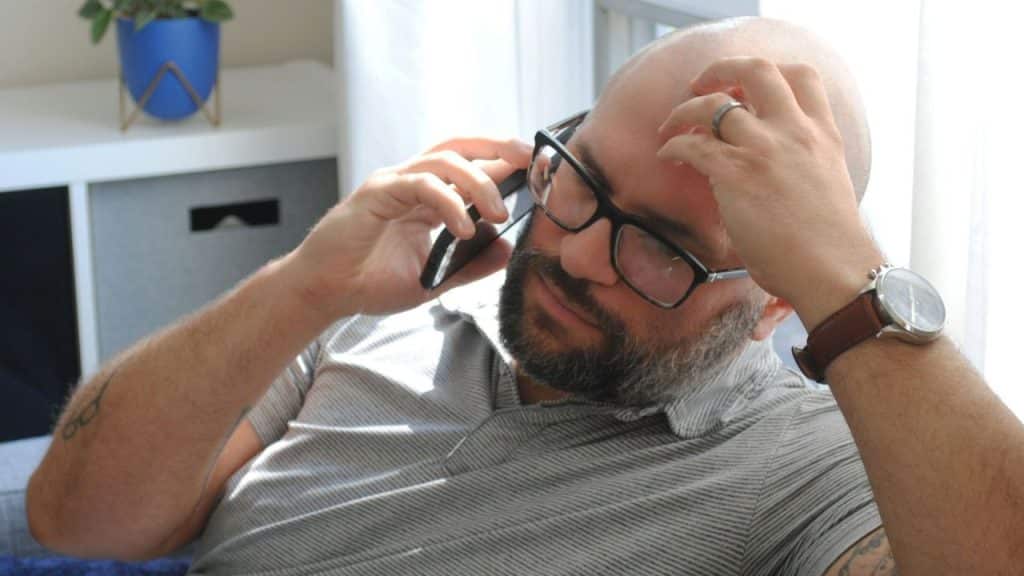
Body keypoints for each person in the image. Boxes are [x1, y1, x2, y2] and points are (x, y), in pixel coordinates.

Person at [25, 16, 1024, 575]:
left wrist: (849, 285)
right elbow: (79, 521)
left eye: (664, 247)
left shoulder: (811, 471)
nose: (582, 253)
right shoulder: (387, 303)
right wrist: (301, 286)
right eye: (580, 179)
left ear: (773, 301)